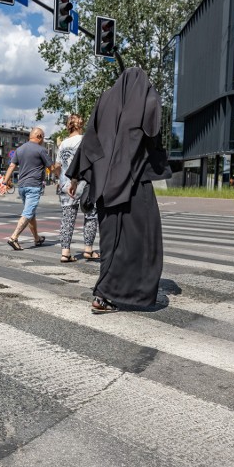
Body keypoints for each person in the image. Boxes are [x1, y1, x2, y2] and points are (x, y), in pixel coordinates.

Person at [66, 67, 171, 314]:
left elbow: (90, 139)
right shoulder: (146, 98)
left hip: (104, 185)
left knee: (112, 242)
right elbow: (153, 134)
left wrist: (77, 177)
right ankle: (118, 293)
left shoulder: (105, 100)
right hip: (135, 185)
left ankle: (105, 295)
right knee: (142, 241)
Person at [53, 114, 99, 263]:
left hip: (66, 185)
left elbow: (58, 166)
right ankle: (88, 250)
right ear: (81, 125)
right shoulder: (85, 140)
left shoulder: (63, 143)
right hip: (84, 182)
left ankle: (65, 253)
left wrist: (60, 180)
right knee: (90, 214)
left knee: (67, 219)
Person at [3, 127, 55, 250]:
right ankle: (14, 237)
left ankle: (37, 238)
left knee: (31, 214)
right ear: (39, 137)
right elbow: (51, 168)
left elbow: (11, 166)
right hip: (33, 186)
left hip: (22, 186)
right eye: (43, 137)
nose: (43, 140)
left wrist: (5, 181)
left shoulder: (19, 149)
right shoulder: (41, 150)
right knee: (28, 213)